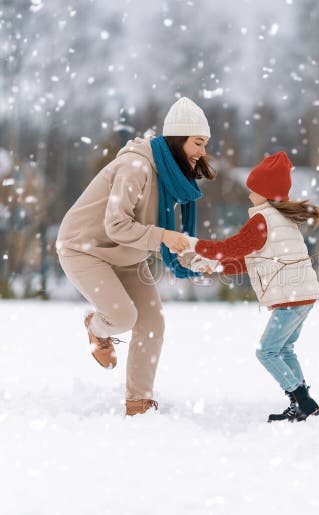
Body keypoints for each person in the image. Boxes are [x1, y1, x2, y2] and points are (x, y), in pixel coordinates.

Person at [56, 97, 215, 416]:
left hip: (126, 255)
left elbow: (168, 237)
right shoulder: (136, 166)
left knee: (152, 323)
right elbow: (116, 225)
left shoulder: (171, 179)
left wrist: (200, 257)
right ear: (178, 139)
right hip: (83, 248)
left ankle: (138, 403)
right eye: (198, 143)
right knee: (123, 317)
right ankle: (96, 327)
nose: (202, 152)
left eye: (205, 144)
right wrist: (164, 237)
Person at [188, 151, 319, 422]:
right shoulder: (280, 219)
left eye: (254, 189)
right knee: (284, 350)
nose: (250, 194)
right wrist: (215, 266)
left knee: (267, 351)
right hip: (303, 294)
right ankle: (303, 404)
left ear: (265, 192)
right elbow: (250, 260)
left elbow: (231, 247)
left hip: (292, 296)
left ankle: (303, 401)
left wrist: (193, 244)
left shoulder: (262, 220)